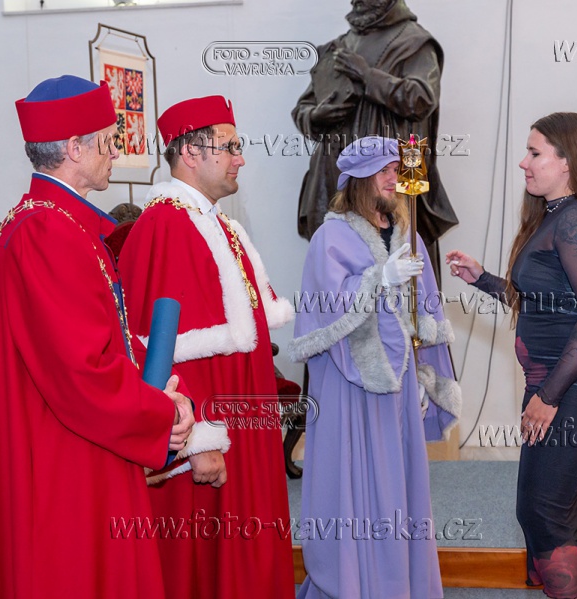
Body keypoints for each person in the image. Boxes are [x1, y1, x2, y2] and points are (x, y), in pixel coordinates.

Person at [0, 75, 194, 599]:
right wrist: (158, 413)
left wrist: (167, 392)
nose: (115, 151)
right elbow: (82, 371)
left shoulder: (58, 225)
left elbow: (105, 337)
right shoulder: (45, 233)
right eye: (108, 140)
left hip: (77, 446)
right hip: (66, 465)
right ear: (75, 148)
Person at [118, 95, 296, 599]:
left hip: (245, 430)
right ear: (191, 153)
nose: (241, 158)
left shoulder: (219, 224)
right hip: (211, 438)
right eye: (231, 147)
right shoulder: (165, 225)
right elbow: (157, 351)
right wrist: (198, 442)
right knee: (208, 566)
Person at [446, 113, 577, 599]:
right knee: (552, 507)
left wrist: (548, 396)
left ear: (567, 161)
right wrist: (484, 280)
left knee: (543, 510)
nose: (523, 163)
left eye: (535, 153)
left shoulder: (576, 221)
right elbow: (544, 301)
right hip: (560, 385)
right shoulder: (554, 217)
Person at [289, 136, 461, 599]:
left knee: (399, 487)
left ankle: (398, 584)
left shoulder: (409, 235)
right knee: (354, 486)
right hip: (350, 387)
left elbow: (424, 310)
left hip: (400, 388)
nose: (393, 178)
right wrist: (378, 279)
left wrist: (423, 375)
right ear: (358, 178)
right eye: (383, 170)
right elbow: (325, 313)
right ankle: (352, 583)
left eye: (396, 169)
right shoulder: (330, 238)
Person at [292, 0, 458, 278]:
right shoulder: (337, 47)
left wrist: (367, 76)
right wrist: (317, 115)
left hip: (391, 174)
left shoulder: (414, 42)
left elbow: (421, 98)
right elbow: (303, 108)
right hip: (335, 175)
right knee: (337, 267)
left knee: (402, 259)